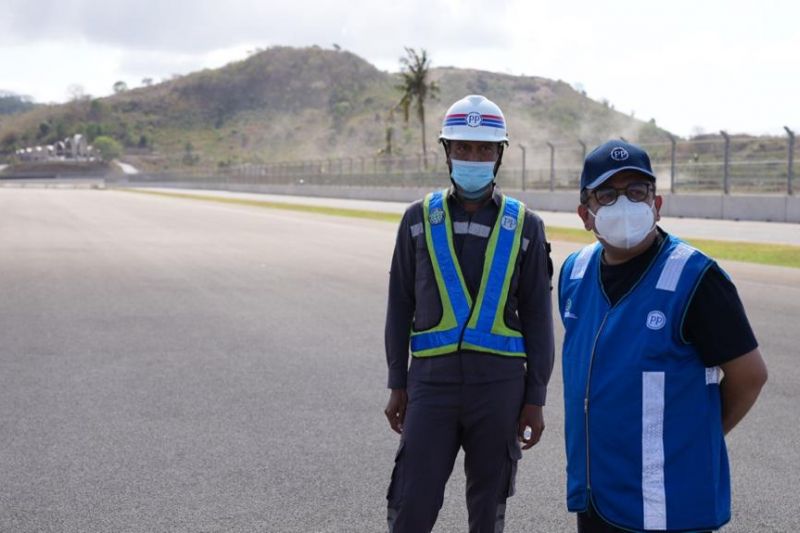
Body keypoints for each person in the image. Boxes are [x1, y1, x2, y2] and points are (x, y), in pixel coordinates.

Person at [558, 140, 768, 532]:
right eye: (608, 194)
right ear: (585, 214)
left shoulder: (696, 278)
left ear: (656, 205)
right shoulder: (574, 272)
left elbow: (749, 376)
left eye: (637, 192)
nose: (625, 204)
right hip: (597, 495)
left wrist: (692, 437)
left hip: (670, 505)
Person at [382, 94, 555, 533]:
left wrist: (535, 397)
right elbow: (400, 303)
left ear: (499, 155)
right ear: (447, 151)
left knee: (487, 512)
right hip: (431, 386)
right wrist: (397, 382)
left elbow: (537, 315)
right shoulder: (418, 219)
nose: (472, 157)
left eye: (483, 149)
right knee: (412, 505)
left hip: (499, 389)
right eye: (462, 147)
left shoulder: (526, 225)